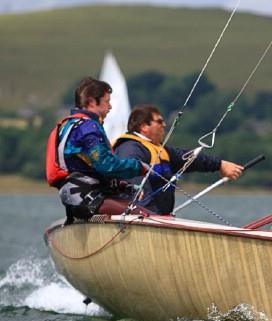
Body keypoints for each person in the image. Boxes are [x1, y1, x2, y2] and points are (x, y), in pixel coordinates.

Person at [45, 77, 146, 221]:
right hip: (87, 200)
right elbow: (107, 165)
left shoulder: (70, 125)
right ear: (92, 102)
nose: (110, 107)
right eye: (107, 102)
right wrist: (139, 167)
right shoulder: (87, 128)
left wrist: (121, 185)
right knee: (144, 215)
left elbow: (86, 167)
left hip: (77, 200)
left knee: (137, 208)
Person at [113, 104, 243, 215]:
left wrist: (220, 164)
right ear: (143, 126)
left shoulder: (161, 150)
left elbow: (189, 158)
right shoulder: (130, 149)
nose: (164, 125)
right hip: (139, 220)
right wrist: (151, 216)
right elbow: (138, 191)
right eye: (159, 121)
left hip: (158, 219)